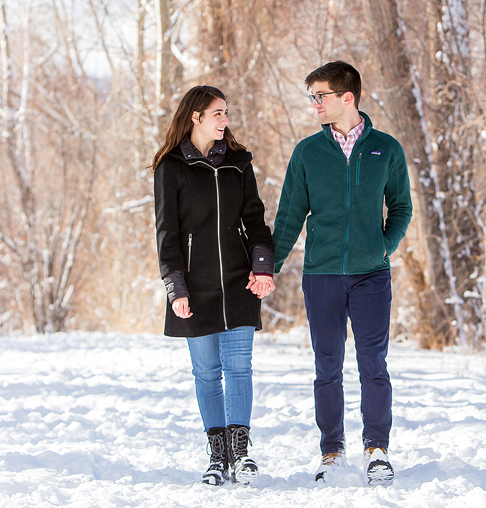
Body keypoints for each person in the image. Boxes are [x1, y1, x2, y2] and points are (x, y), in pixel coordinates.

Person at [268, 61, 412, 485]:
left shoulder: (386, 149)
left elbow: (401, 207)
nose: (314, 103)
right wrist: (268, 269)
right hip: (322, 276)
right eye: (312, 96)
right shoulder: (308, 153)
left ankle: (377, 449)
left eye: (320, 95)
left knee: (374, 363)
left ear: (347, 97)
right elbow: (290, 216)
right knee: (326, 366)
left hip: (372, 276)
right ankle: (331, 451)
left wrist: (381, 246)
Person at [151, 85, 276, 486]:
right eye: (217, 113)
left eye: (226, 112)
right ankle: (217, 457)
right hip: (195, 285)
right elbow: (166, 234)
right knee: (206, 373)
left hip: (240, 281)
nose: (225, 119)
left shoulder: (239, 163)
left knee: (239, 367)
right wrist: (175, 287)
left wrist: (263, 267)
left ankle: (241, 455)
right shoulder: (170, 167)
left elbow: (255, 220)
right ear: (196, 116)